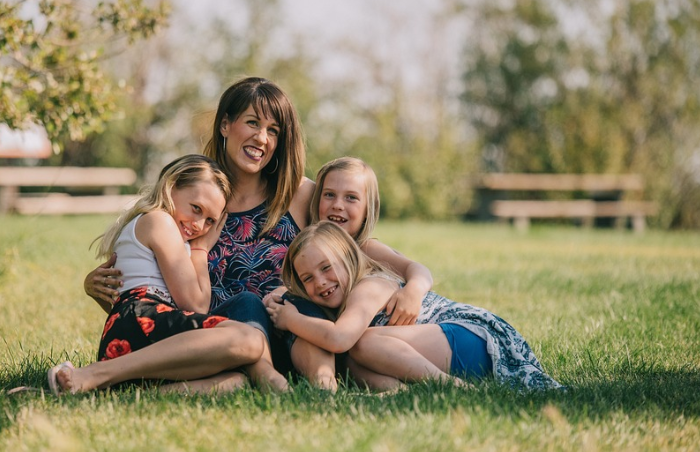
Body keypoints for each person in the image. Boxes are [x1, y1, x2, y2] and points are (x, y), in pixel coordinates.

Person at [84, 78, 433, 390]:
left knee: (289, 301)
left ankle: (322, 387)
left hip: (300, 337)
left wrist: (415, 284)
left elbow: (357, 249)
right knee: (247, 303)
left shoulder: (299, 195)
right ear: (225, 124)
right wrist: (95, 287)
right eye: (252, 123)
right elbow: (152, 286)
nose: (261, 139)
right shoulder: (197, 199)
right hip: (218, 339)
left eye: (273, 130)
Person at [267, 160, 561, 391]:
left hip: (472, 337)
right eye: (329, 195)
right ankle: (401, 393)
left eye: (351, 198)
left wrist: (414, 290)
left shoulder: (368, 256)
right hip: (432, 345)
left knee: (362, 344)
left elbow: (414, 271)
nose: (338, 205)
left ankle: (452, 388)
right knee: (353, 363)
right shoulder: (323, 257)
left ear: (368, 208)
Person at [48, 155, 265, 395]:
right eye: (196, 209)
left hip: (140, 332)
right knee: (249, 339)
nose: (199, 225)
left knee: (236, 381)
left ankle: (130, 394)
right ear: (171, 188)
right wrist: (201, 249)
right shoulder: (159, 221)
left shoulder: (163, 229)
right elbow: (195, 304)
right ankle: (96, 373)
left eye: (210, 221)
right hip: (140, 319)